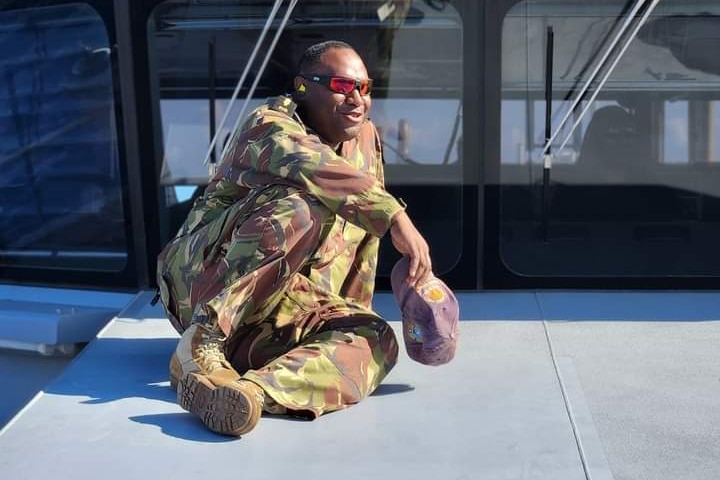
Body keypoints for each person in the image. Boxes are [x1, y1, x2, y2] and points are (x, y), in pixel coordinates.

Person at [156, 40, 432, 437]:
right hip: (202, 288)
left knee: (376, 337)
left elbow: (361, 247)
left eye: (365, 87)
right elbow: (319, 170)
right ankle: (200, 346)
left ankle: (247, 394)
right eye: (341, 86)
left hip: (274, 310)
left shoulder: (365, 139)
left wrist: (347, 314)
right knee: (302, 205)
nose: (357, 98)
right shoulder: (269, 125)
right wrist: (395, 217)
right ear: (303, 87)